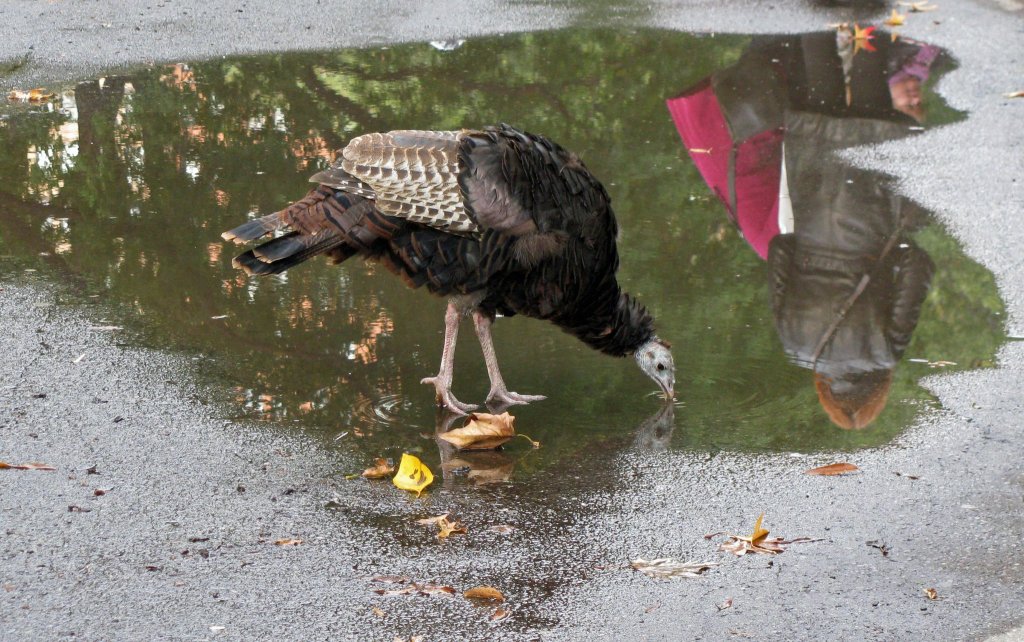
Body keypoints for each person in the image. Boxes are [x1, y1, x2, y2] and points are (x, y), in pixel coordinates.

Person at [667, 29, 942, 429]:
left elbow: (919, 265)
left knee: (869, 72)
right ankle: (817, 11)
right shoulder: (795, 344)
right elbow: (780, 249)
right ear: (826, 391)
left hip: (872, 194)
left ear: (878, 391)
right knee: (819, 68)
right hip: (812, 179)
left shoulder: (884, 352)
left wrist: (885, 251)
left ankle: (867, 18)